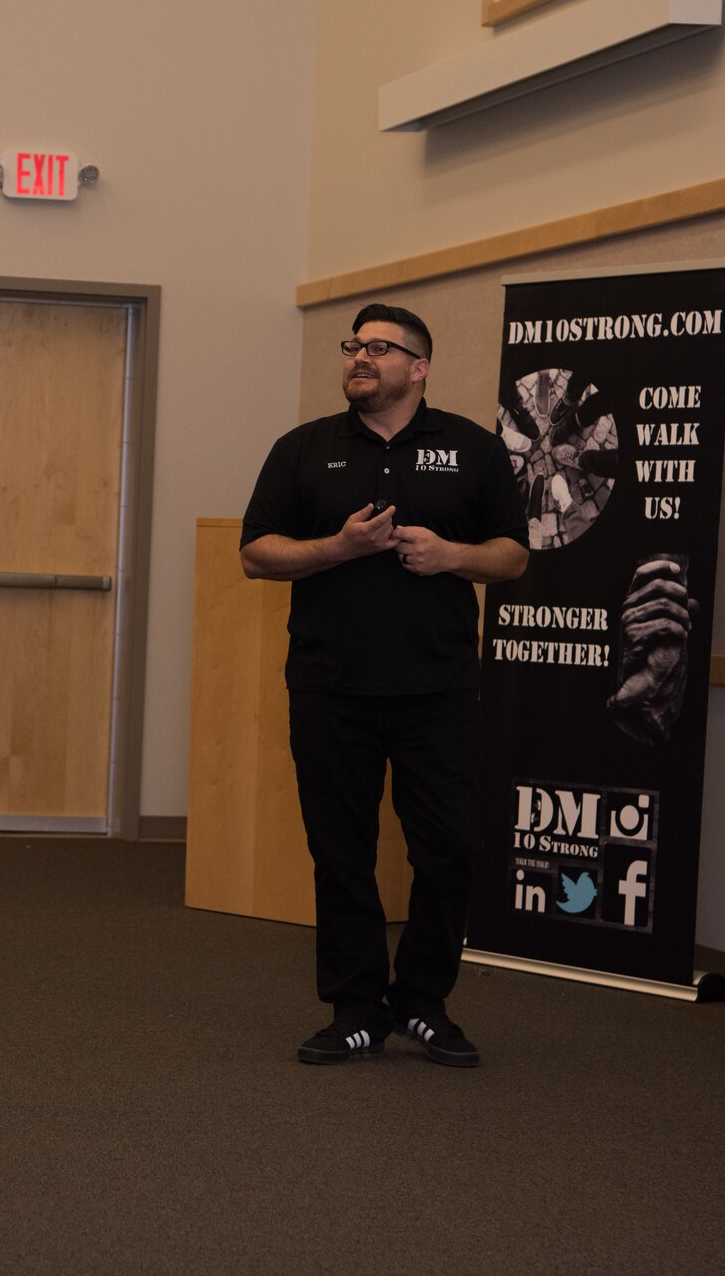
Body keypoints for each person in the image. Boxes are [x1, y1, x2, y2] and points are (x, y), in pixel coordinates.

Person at [241, 304, 528, 1068]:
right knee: (342, 851)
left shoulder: (473, 449)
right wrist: (338, 546)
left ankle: (425, 1002)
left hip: (437, 692)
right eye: (354, 346)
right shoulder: (303, 449)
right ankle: (356, 1007)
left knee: (447, 849)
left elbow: (512, 557)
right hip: (331, 687)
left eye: (379, 347)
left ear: (419, 366)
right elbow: (255, 553)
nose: (360, 357)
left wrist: (451, 556)